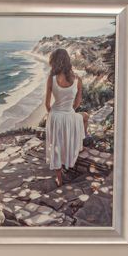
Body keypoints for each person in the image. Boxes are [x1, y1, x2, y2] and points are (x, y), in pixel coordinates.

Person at [44, 48, 89, 186]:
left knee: (56, 145)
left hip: (55, 116)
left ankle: (59, 178)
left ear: (54, 61)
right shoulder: (78, 80)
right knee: (85, 116)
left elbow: (47, 104)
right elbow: (77, 103)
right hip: (69, 115)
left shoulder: (51, 79)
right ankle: (80, 144)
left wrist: (55, 114)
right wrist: (69, 112)